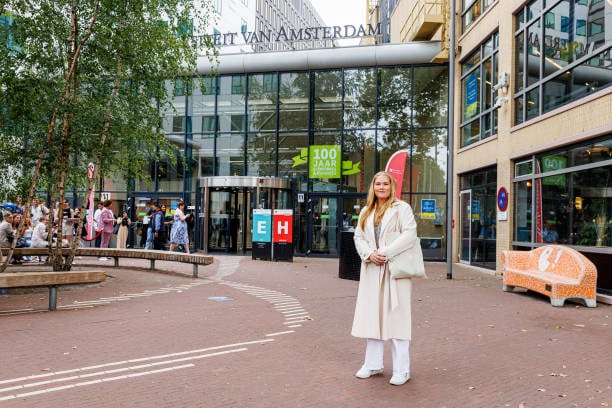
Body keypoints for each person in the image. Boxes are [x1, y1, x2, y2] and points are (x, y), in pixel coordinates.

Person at [351, 171, 418, 386]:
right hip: (372, 269)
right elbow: (358, 237)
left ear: (392, 186)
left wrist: (385, 252)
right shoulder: (365, 211)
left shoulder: (402, 208)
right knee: (373, 316)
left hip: (394, 269)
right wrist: (370, 254)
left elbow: (410, 234)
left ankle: (402, 370)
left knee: (397, 317)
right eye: (378, 183)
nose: (381, 187)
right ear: (373, 186)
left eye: (385, 184)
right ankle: (373, 364)